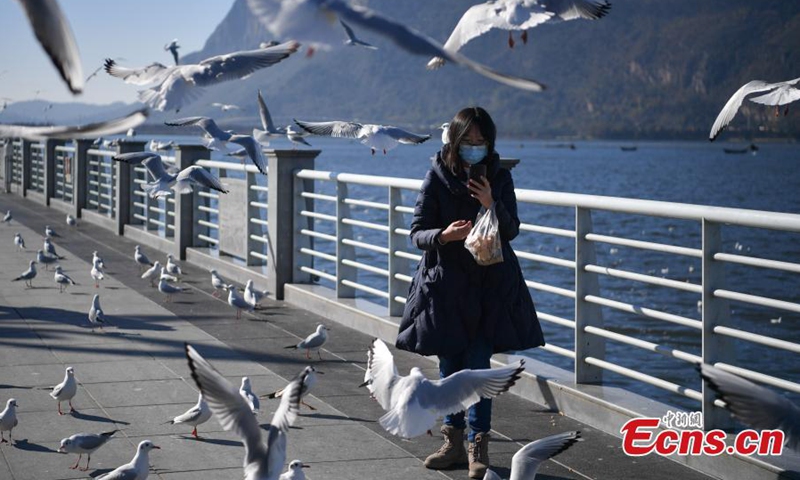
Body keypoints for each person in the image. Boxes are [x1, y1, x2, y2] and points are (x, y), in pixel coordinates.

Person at [396, 106, 545, 478]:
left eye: (482, 142)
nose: (475, 148)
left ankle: (479, 446)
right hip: (445, 289)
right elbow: (417, 232)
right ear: (456, 142)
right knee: (449, 368)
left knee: (478, 369)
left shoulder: (499, 177)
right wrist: (444, 236)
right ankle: (452, 443)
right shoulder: (437, 176)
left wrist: (490, 203)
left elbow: (511, 231)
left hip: (488, 288)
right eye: (469, 142)